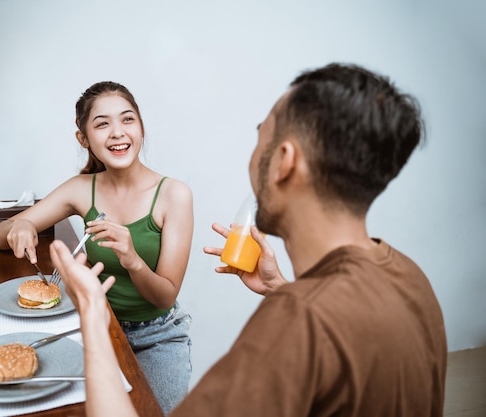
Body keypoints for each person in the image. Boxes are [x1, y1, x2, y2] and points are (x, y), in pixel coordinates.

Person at [48, 63, 447, 417]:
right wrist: (280, 289)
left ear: (285, 160)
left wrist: (93, 318)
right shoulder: (407, 275)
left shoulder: (295, 323)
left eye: (261, 133)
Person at [0, 81, 193, 414]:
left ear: (140, 126)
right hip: (98, 329)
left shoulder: (174, 195)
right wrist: (23, 225)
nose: (117, 132)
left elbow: (164, 297)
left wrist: (132, 258)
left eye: (127, 119)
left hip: (158, 337)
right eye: (102, 124)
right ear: (83, 138)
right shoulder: (81, 189)